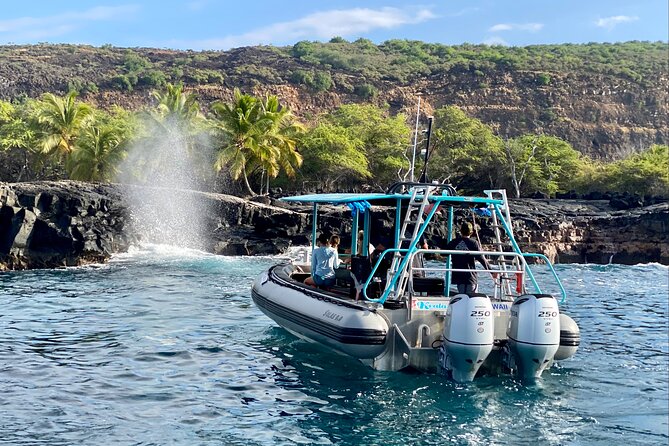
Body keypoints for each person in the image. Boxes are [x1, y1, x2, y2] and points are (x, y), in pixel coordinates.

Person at [445, 222, 494, 294]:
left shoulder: (454, 242)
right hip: (470, 276)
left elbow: (443, 253)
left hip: (458, 276)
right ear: (471, 232)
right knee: (472, 297)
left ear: (461, 231)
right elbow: (481, 259)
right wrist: (491, 271)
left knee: (462, 296)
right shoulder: (473, 243)